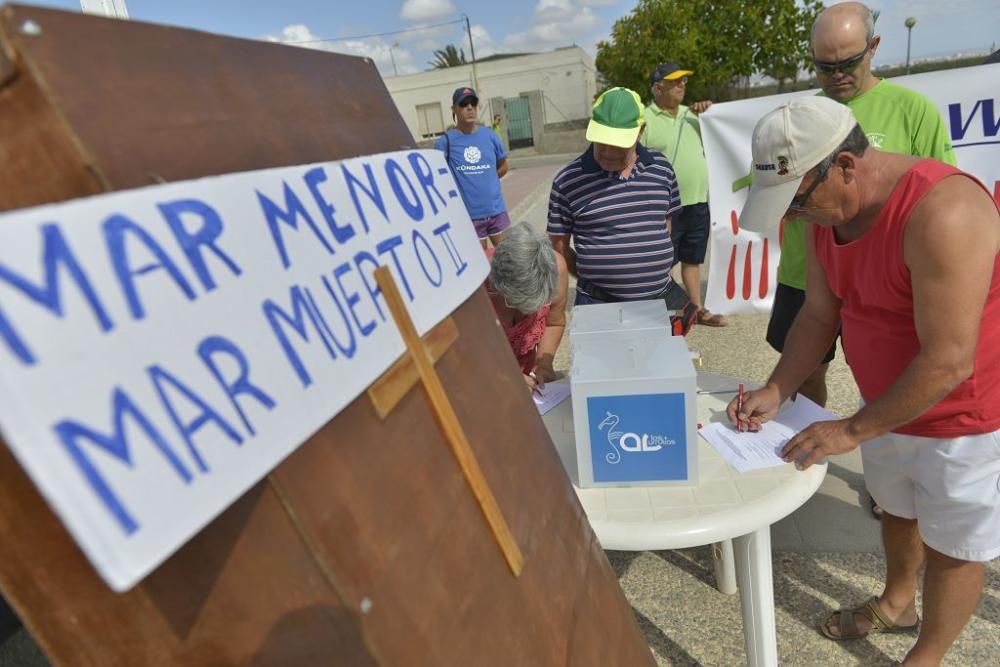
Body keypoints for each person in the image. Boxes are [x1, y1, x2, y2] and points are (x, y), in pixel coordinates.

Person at [731, 96, 1000, 666]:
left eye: (798, 201)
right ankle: (899, 603)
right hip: (884, 405)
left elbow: (950, 359)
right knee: (897, 510)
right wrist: (778, 388)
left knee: (955, 547)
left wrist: (851, 429)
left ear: (846, 166)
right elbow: (818, 315)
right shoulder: (828, 215)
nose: (795, 217)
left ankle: (926, 656)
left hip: (961, 417)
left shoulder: (944, 210)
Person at [769, 1, 957, 409]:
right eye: (823, 67)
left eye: (846, 64)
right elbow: (771, 184)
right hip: (807, 273)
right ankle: (812, 450)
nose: (835, 76)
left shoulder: (912, 110)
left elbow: (941, 196)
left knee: (881, 369)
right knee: (805, 370)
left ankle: (881, 442)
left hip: (882, 277)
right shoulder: (801, 116)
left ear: (873, 47)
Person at [547, 87, 698, 334]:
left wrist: (653, 269)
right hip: (598, 306)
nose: (607, 151)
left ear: (640, 132)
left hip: (658, 303)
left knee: (658, 369)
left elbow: (665, 226)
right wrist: (596, 275)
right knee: (601, 371)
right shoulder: (567, 181)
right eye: (602, 141)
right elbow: (559, 246)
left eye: (617, 144)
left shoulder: (661, 169)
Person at [643, 62, 727, 327]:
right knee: (662, 262)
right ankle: (667, 310)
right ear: (657, 88)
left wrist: (711, 113)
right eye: (674, 81)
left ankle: (697, 310)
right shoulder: (644, 120)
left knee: (692, 259)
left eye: (683, 81)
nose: (681, 85)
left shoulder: (694, 115)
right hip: (665, 207)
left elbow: (721, 136)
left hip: (698, 200)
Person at [486, 223, 568, 392]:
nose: (526, 313)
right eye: (516, 302)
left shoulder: (555, 269)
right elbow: (460, 357)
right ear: (498, 286)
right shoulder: (475, 288)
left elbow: (554, 322)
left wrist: (543, 364)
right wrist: (505, 377)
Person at [435, 87, 510, 249]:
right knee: (482, 269)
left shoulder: (490, 136)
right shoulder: (445, 142)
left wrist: (487, 179)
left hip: (497, 211)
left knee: (511, 262)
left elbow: (503, 166)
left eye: (473, 103)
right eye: (463, 104)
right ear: (454, 109)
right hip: (469, 217)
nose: (469, 107)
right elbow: (437, 179)